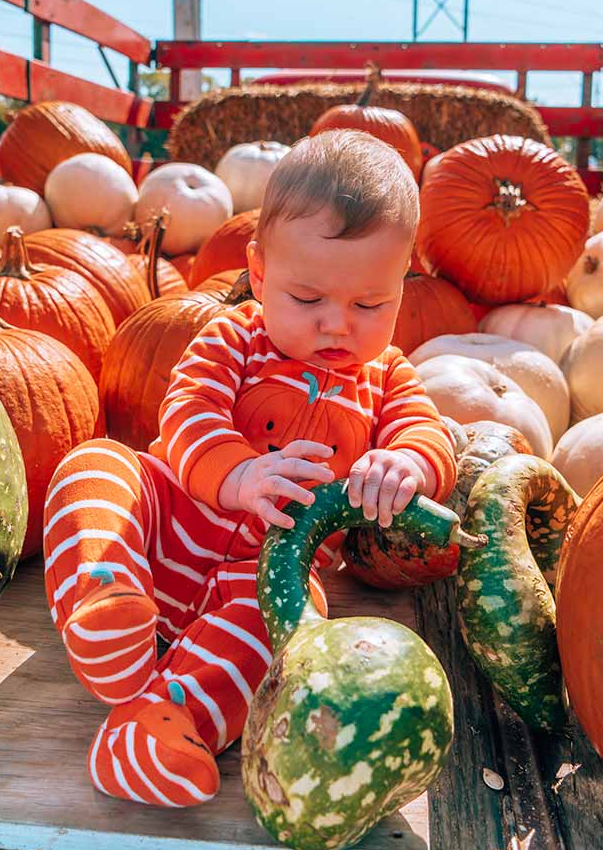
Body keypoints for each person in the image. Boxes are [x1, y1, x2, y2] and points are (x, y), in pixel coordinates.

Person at [43, 129, 457, 808]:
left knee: (294, 625)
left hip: (264, 573)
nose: (336, 325)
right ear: (260, 274)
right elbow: (186, 409)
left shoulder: (387, 378)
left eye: (368, 305)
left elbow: (426, 434)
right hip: (165, 521)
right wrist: (236, 476)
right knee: (94, 465)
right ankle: (103, 600)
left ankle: (161, 724)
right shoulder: (234, 337)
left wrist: (404, 463)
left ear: (401, 288)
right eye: (307, 299)